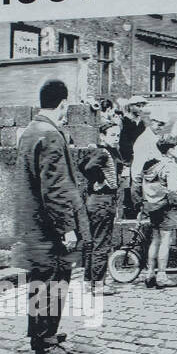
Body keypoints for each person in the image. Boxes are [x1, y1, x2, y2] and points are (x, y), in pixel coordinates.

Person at [13, 79, 85, 354]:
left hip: (33, 224)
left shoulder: (30, 131)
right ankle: (47, 342)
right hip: (49, 226)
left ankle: (38, 335)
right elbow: (55, 189)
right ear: (63, 104)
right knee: (55, 282)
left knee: (38, 282)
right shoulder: (52, 135)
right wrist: (67, 228)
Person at [133, 134, 177, 288]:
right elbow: (173, 190)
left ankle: (149, 274)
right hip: (167, 207)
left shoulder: (151, 164)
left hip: (154, 207)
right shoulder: (170, 165)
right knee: (165, 241)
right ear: (171, 149)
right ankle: (161, 275)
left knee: (155, 240)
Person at [82, 114, 121, 297]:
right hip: (103, 201)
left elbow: (81, 164)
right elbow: (88, 168)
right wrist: (99, 181)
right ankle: (98, 285)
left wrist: (94, 183)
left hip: (95, 201)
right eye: (112, 135)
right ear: (102, 136)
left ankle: (89, 282)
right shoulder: (102, 152)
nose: (116, 138)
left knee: (93, 243)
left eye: (117, 135)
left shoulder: (98, 150)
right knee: (102, 243)